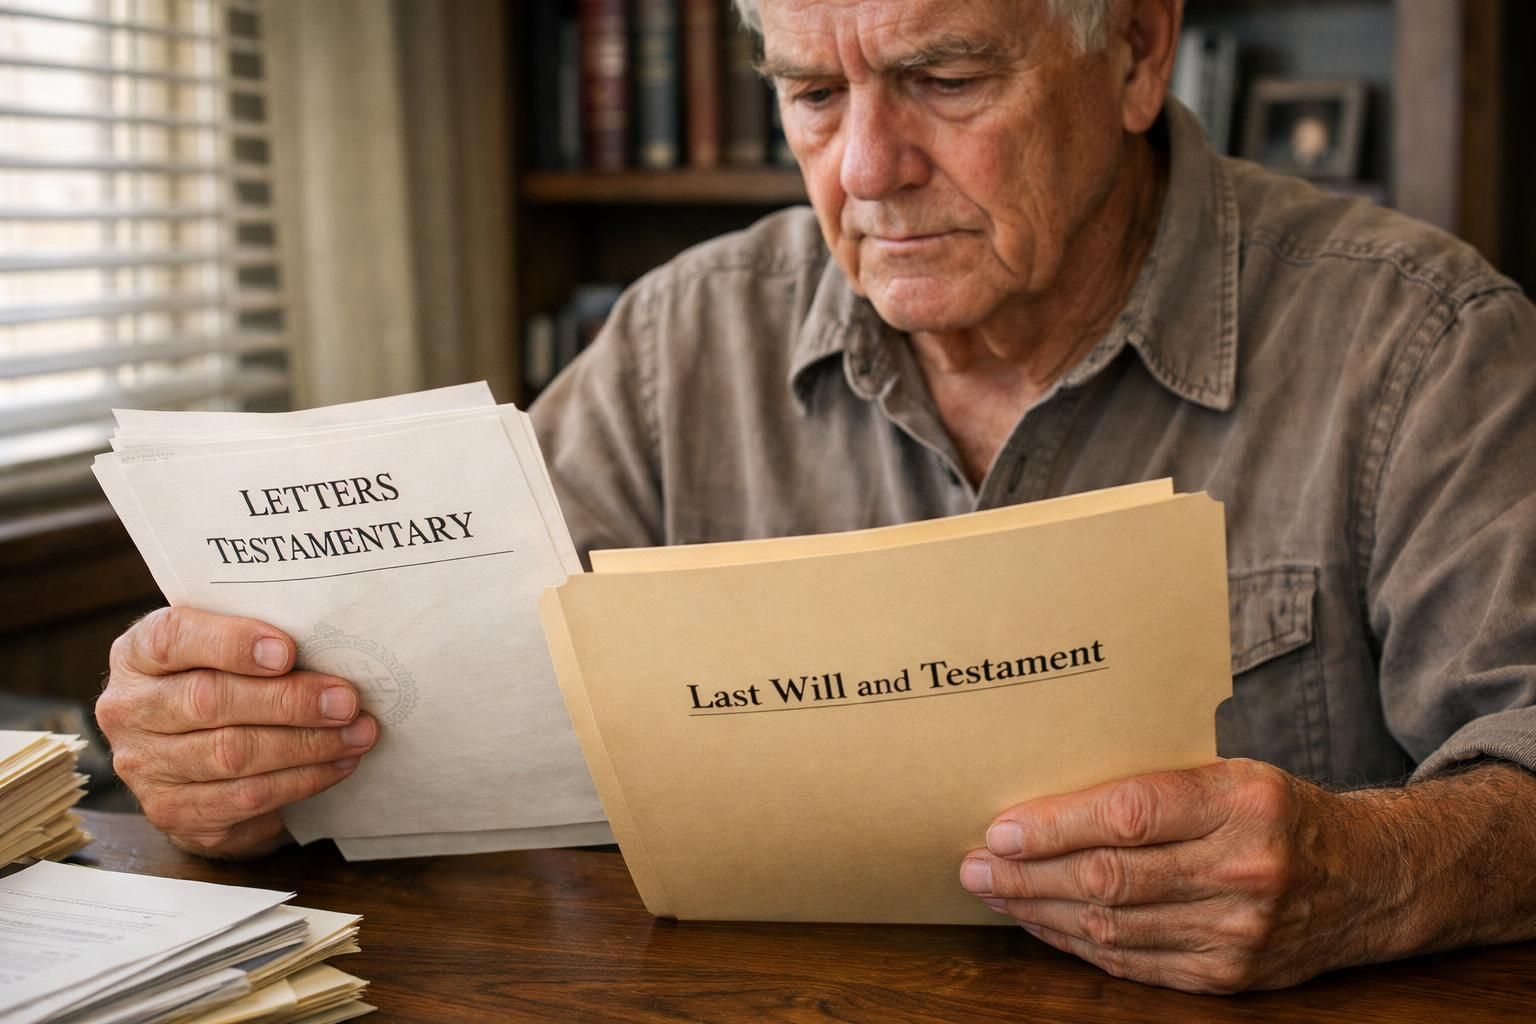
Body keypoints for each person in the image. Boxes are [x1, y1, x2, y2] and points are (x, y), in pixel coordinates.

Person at [96, 0, 1536, 994]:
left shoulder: (1421, 343)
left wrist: (1367, 872)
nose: (867, 169)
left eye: (947, 79)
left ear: (1137, 52)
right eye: (812, 94)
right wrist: (240, 767)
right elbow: (441, 722)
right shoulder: (680, 343)